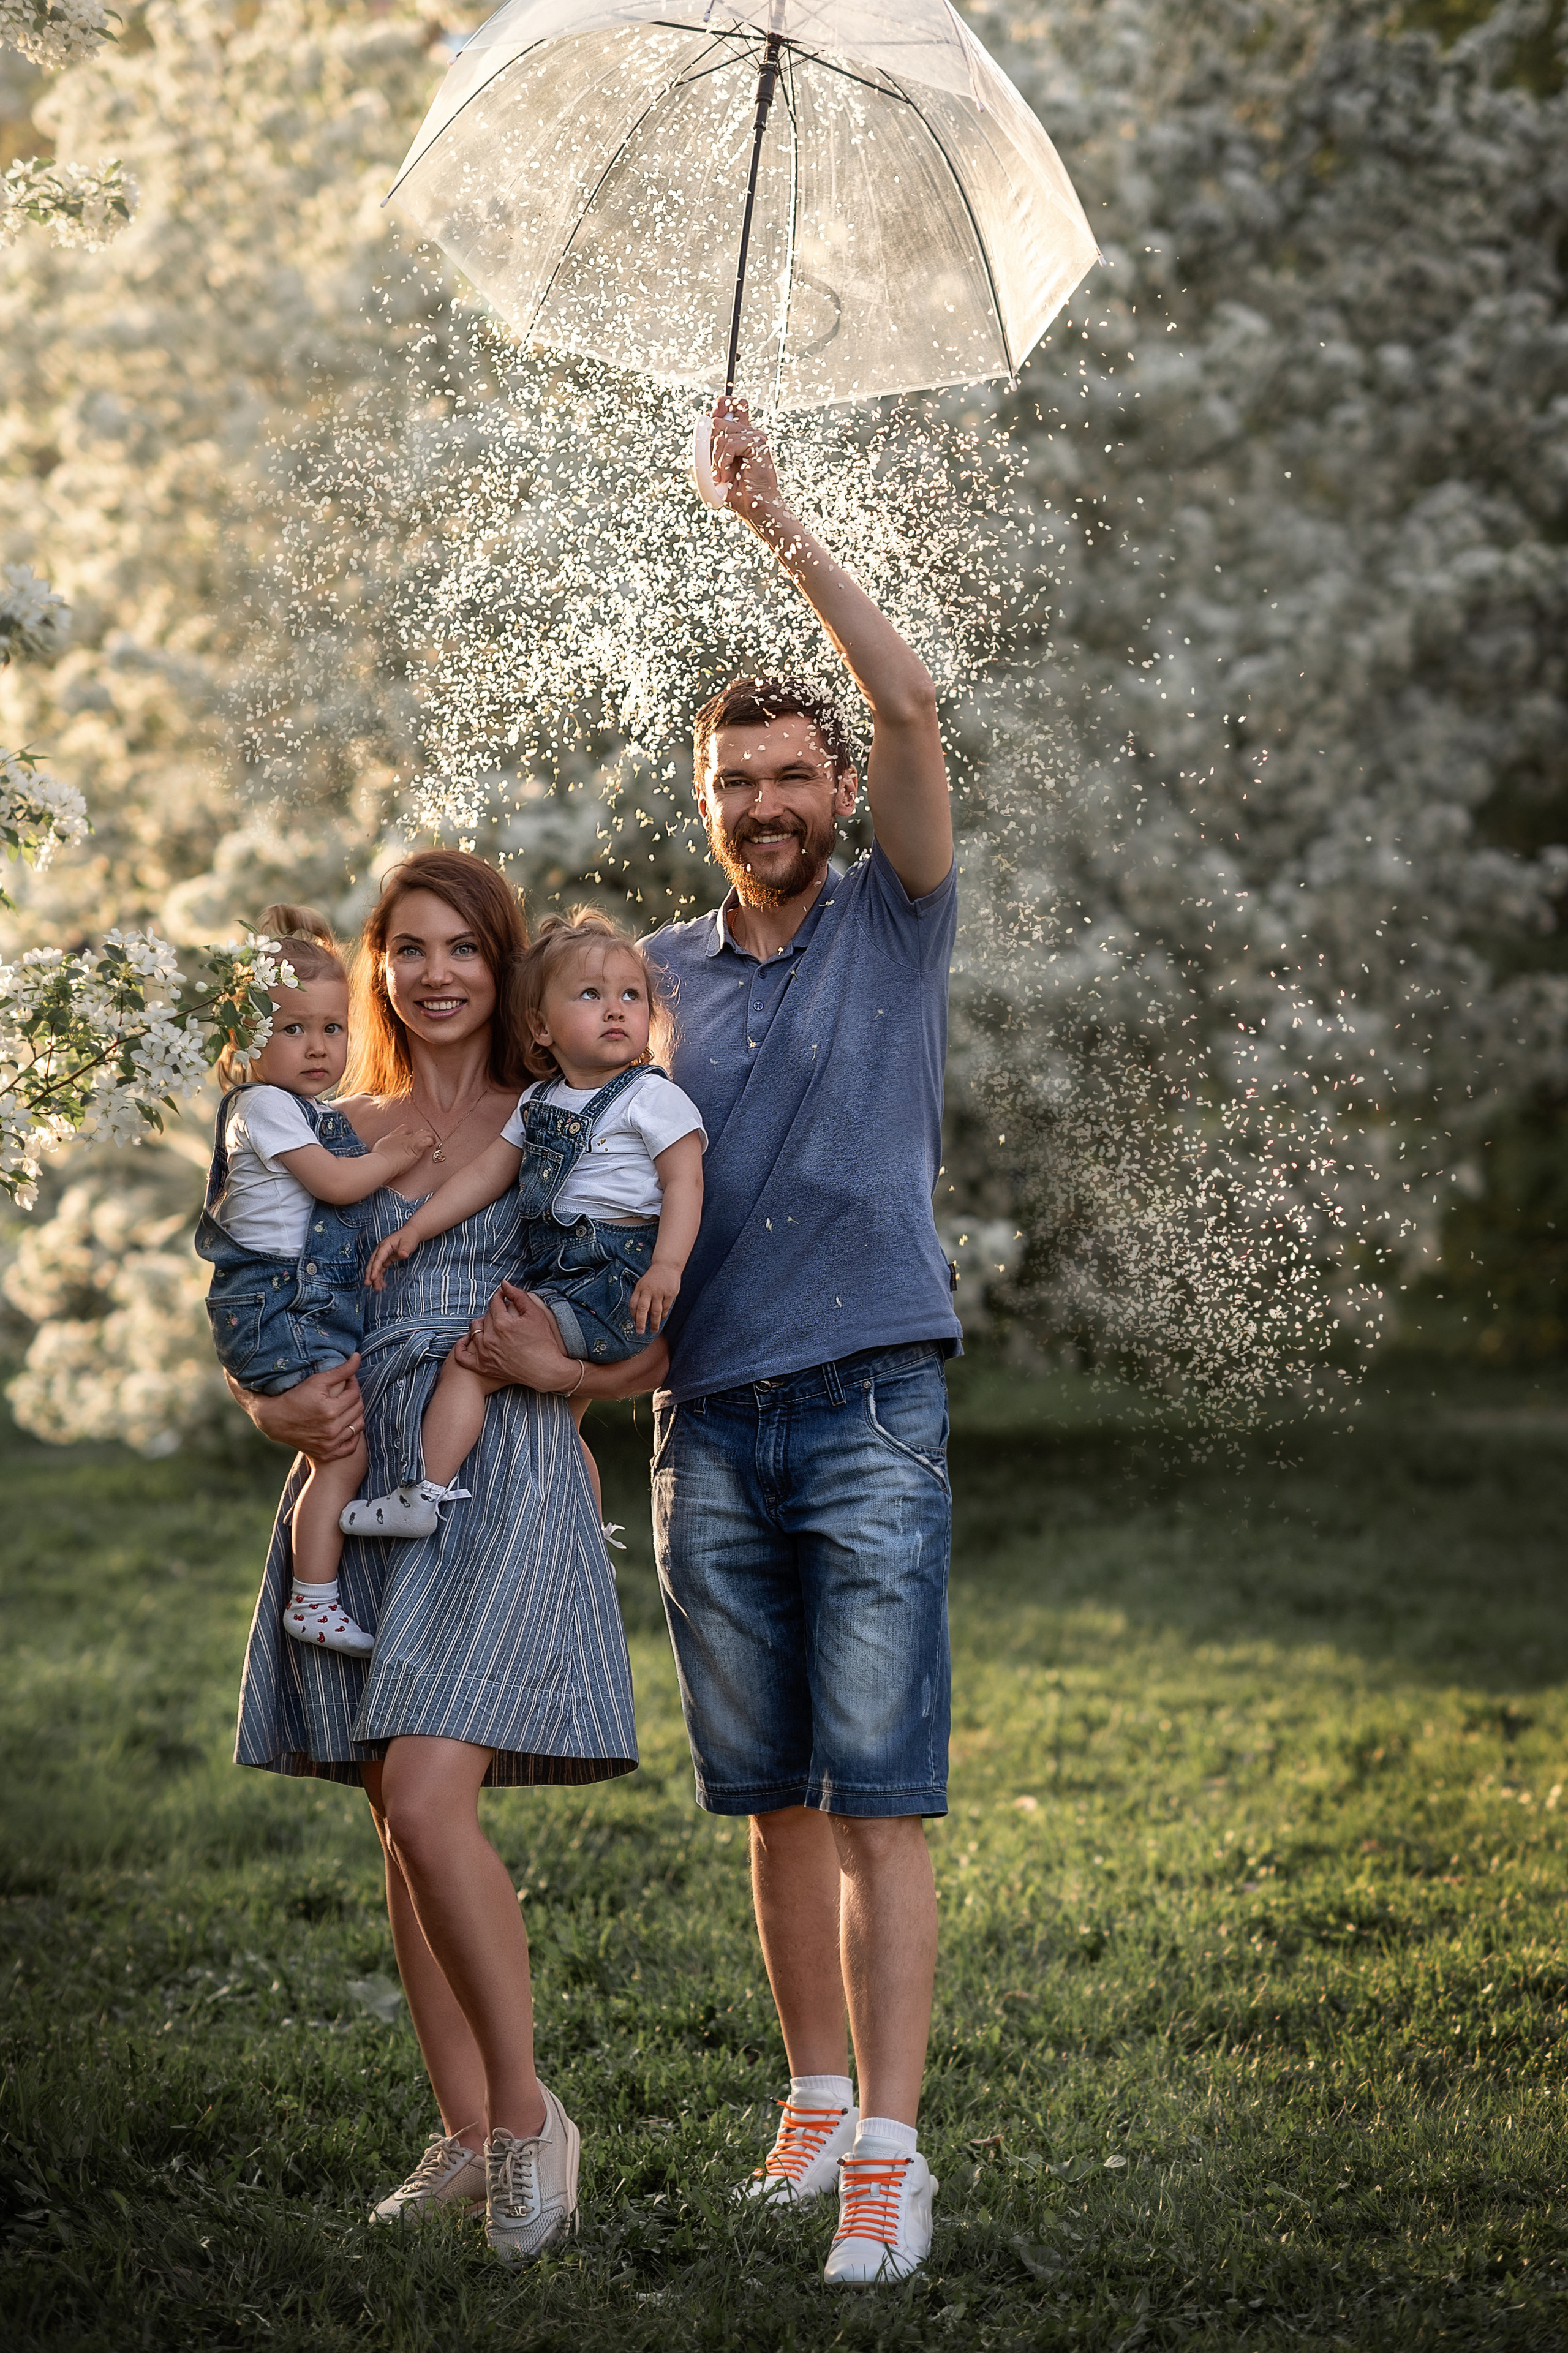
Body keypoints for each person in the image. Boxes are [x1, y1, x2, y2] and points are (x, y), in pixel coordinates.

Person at [227, 851, 666, 2263]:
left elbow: (655, 1324)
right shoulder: (330, 1124)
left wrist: (570, 1376)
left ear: (503, 961)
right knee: (394, 1813)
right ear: (377, 966)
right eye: (406, 948)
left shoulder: (567, 1109)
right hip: (361, 1469)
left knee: (426, 1798)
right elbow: (259, 1299)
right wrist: (271, 1407)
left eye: (461, 948)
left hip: (498, 1464)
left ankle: (529, 2118)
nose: (433, 974)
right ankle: (469, 2132)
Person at [641, 399, 964, 2284]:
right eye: (734, 781)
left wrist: (780, 529)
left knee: (879, 1792)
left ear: (839, 787)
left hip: (869, 1406)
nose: (764, 802)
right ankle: (818, 2100)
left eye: (791, 773)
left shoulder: (894, 925)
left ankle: (891, 2162)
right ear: (703, 802)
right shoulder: (651, 981)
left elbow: (911, 703)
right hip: (705, 1428)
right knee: (767, 1795)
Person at [342, 909, 705, 1541]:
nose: (615, 1009)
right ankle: (586, 1532)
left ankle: (421, 1493)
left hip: (612, 1279)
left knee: (472, 1360)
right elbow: (487, 1174)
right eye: (590, 995)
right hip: (564, 1275)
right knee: (562, 1424)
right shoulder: (539, 1101)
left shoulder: (653, 1097)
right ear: (540, 1026)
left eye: (631, 996)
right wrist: (417, 1228)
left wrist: (666, 1267)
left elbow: (685, 1183)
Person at [195, 906, 432, 1657]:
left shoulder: (301, 1109)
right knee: (341, 1452)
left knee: (339, 1448)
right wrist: (393, 1156)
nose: (319, 1046)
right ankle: (314, 1599)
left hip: (292, 1300)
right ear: (246, 1037)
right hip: (278, 1301)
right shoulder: (265, 1106)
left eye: (333, 1027)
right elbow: (335, 1184)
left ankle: (324, 1572)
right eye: (293, 1028)